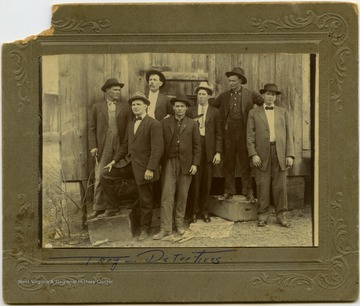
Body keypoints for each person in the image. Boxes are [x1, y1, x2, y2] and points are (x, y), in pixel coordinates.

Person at [100, 92, 164, 240]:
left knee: (145, 200)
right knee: (105, 174)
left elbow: (157, 149)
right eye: (133, 104)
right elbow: (124, 145)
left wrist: (151, 169)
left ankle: (145, 229)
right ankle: (112, 207)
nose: (135, 107)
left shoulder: (154, 124)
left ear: (146, 106)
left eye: (138, 104)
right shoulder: (131, 124)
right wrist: (114, 161)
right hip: (129, 165)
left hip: (145, 168)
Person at [153, 94, 201, 240]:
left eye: (182, 106)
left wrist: (195, 163)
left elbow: (197, 146)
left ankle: (179, 224)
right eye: (177, 106)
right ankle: (165, 228)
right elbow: (159, 145)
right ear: (173, 107)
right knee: (167, 195)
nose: (179, 109)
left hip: (186, 164)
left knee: (182, 195)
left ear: (186, 108)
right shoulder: (165, 123)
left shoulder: (192, 124)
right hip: (169, 162)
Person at [211, 67, 264, 202]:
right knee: (228, 163)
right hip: (228, 133)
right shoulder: (224, 96)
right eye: (229, 81)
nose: (231, 83)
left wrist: (254, 116)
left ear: (240, 80)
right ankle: (229, 191)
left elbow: (262, 102)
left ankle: (248, 192)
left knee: (245, 163)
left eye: (234, 81)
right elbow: (213, 106)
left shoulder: (250, 94)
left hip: (244, 132)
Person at [246, 83, 295, 227]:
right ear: (263, 95)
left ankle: (281, 216)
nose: (270, 97)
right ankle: (262, 215)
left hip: (279, 152)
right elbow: (249, 136)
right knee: (262, 185)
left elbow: (289, 135)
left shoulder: (283, 112)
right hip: (261, 154)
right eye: (268, 94)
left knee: (280, 186)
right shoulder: (253, 113)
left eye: (273, 94)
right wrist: (253, 154)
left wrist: (290, 155)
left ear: (276, 97)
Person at [87, 78, 132, 220]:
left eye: (119, 90)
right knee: (100, 174)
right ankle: (98, 207)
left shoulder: (125, 106)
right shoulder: (97, 107)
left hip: (121, 144)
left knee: (118, 173)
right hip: (104, 143)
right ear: (107, 90)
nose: (118, 92)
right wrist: (94, 146)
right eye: (115, 89)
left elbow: (131, 127)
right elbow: (92, 129)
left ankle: (114, 206)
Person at [186, 82, 222, 223]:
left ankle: (205, 211)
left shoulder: (215, 112)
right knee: (195, 183)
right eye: (199, 94)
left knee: (207, 183)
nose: (201, 97)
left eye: (204, 94)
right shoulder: (190, 111)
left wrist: (218, 152)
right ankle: (194, 212)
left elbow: (219, 134)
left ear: (208, 96)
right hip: (195, 148)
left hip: (209, 150)